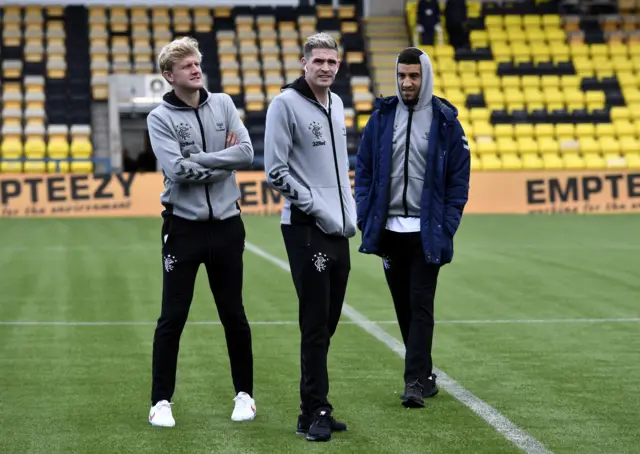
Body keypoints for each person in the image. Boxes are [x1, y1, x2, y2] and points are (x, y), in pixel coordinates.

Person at [146, 36, 256, 427]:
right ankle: (161, 401)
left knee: (234, 315)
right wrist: (223, 163)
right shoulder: (159, 118)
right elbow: (176, 170)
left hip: (228, 226)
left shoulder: (223, 104)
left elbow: (246, 152)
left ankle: (245, 394)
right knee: (172, 317)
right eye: (187, 65)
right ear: (169, 75)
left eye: (197, 62)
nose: (196, 69)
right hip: (183, 230)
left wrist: (203, 159)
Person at [354, 47, 470, 408]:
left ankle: (414, 382)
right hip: (389, 230)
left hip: (426, 232)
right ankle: (427, 373)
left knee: (420, 303)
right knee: (404, 306)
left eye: (414, 76)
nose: (407, 82)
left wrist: (447, 225)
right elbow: (365, 169)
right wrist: (364, 213)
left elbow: (458, 180)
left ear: (426, 77)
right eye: (402, 75)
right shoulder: (381, 117)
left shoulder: (446, 121)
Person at [263, 32, 356, 442]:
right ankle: (316, 407)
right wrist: (318, 209)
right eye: (318, 61)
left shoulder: (336, 104)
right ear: (304, 63)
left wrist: (347, 214)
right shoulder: (284, 104)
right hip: (305, 227)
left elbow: (339, 172)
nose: (325, 68)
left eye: (331, 62)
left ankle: (309, 409)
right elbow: (275, 170)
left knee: (329, 320)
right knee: (315, 322)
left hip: (338, 229)